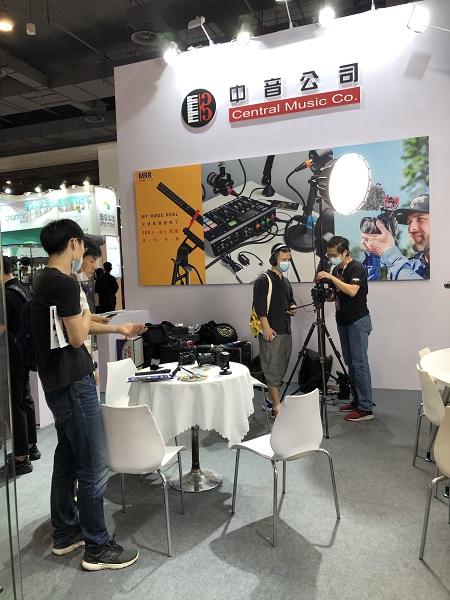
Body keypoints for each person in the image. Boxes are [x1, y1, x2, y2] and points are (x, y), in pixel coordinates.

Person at [31, 219, 146, 571]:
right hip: (73, 383)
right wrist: (85, 308)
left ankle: (66, 531)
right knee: (93, 464)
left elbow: (73, 327)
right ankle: (97, 546)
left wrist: (113, 326)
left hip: (60, 381)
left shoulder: (45, 280)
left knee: (67, 457)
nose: (86, 253)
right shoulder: (65, 283)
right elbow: (78, 336)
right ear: (73, 244)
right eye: (83, 245)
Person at [317, 236, 374, 422]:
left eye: (334, 255)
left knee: (360, 364)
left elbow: (352, 291)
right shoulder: (336, 269)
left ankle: (366, 408)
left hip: (358, 320)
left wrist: (331, 277)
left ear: (345, 252)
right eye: (329, 255)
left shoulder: (357, 268)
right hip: (342, 320)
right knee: (350, 363)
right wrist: (323, 294)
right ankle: (357, 401)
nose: (331, 258)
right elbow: (335, 296)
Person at [2, 255, 40, 475]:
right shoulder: (21, 289)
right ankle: (30, 447)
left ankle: (20, 459)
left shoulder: (6, 295)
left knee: (14, 405)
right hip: (22, 353)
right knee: (25, 400)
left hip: (10, 356)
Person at [252, 243, 297, 418]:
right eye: (283, 259)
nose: (286, 262)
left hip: (285, 329)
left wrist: (292, 307)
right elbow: (259, 306)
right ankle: (276, 407)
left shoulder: (285, 281)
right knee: (272, 368)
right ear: (274, 259)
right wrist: (266, 327)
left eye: (288, 260)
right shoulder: (263, 280)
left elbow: (290, 299)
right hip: (271, 331)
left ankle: (270, 400)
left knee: (281, 366)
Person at [361, 193, 430, 280]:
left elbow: (419, 288)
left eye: (420, 219)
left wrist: (389, 252)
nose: (411, 229)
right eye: (409, 222)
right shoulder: (410, 267)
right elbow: (368, 288)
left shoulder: (400, 266)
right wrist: (372, 255)